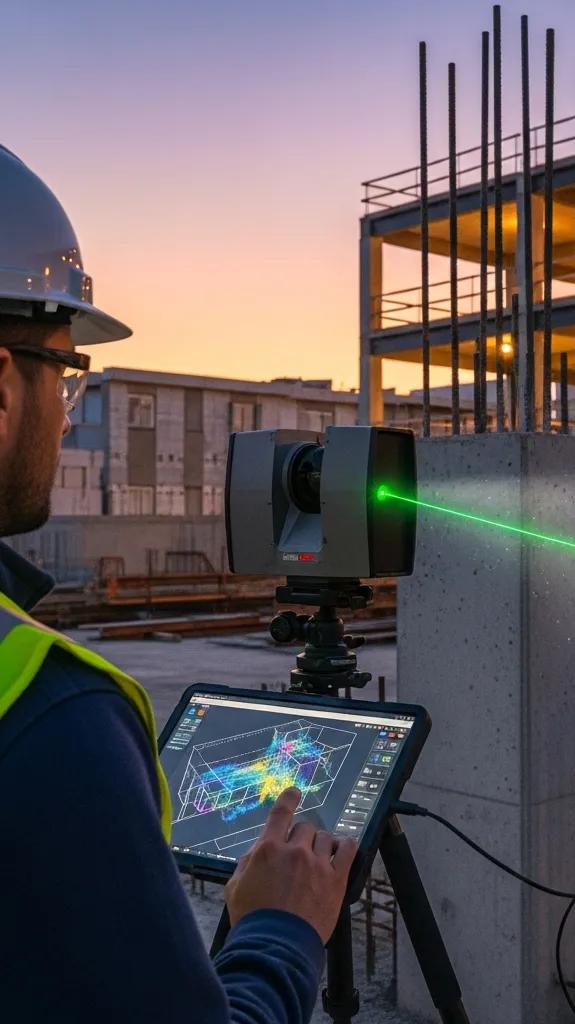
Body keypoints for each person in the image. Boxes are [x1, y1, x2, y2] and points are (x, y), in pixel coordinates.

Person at [0, 144, 356, 1021]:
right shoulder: (52, 719)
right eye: (64, 369)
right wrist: (279, 928)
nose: (64, 407)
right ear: (3, 383)